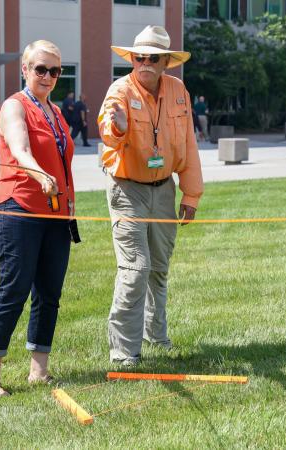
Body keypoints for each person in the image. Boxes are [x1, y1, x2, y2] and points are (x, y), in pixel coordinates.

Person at [0, 40, 78, 397]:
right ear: (25, 69)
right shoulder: (14, 106)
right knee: (14, 290)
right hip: (18, 207)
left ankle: (39, 370)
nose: (48, 76)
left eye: (55, 70)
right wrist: (38, 173)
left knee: (49, 293)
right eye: (40, 69)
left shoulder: (56, 111)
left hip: (56, 213)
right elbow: (20, 149)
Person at [97, 25, 204, 366]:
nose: (145, 62)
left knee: (158, 268)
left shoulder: (177, 90)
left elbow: (188, 144)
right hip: (127, 189)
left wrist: (191, 196)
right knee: (135, 268)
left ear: (165, 63)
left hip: (163, 191)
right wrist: (119, 127)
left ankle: (156, 335)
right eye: (139, 56)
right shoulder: (119, 91)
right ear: (133, 59)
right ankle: (123, 351)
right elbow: (107, 134)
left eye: (152, 57)